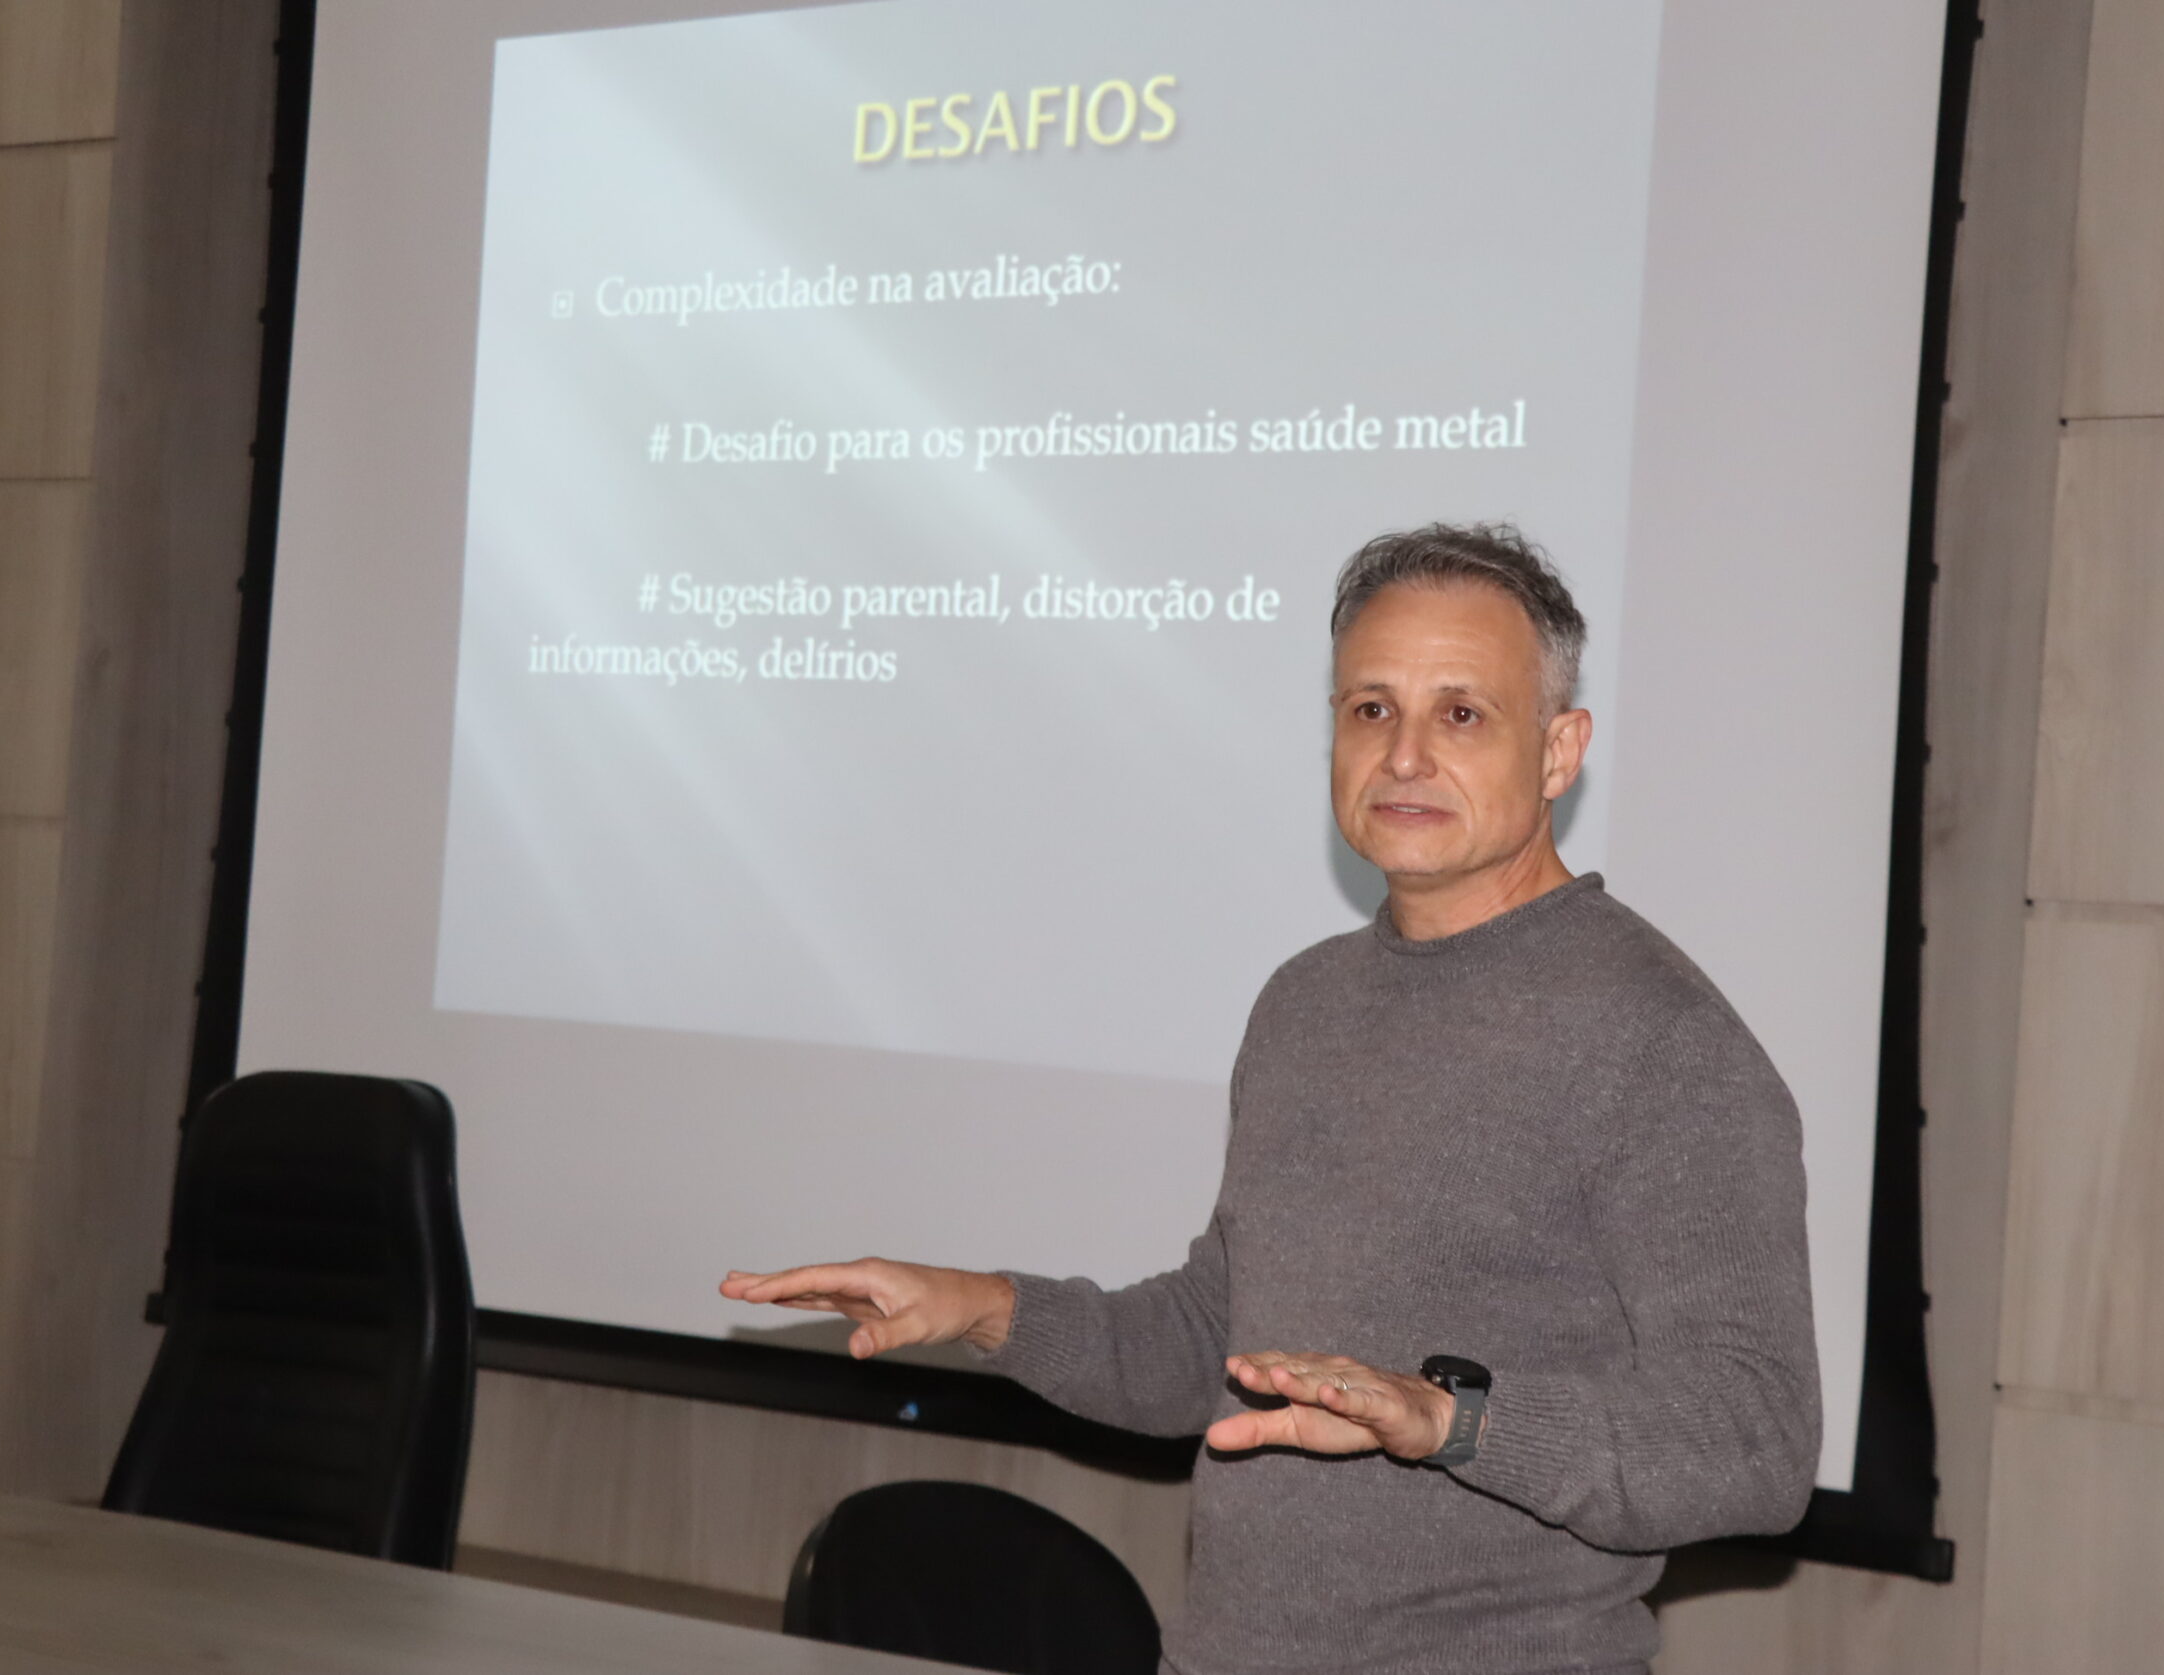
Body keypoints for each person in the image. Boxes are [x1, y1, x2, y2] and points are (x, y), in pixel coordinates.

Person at [723, 522, 1819, 1675]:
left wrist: (1450, 1423)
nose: (1404, 756)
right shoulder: (1306, 1001)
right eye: (1370, 709)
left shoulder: (1661, 1040)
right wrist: (983, 1306)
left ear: (1558, 751)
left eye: (1460, 713)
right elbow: (1215, 1349)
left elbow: (1753, 1444)